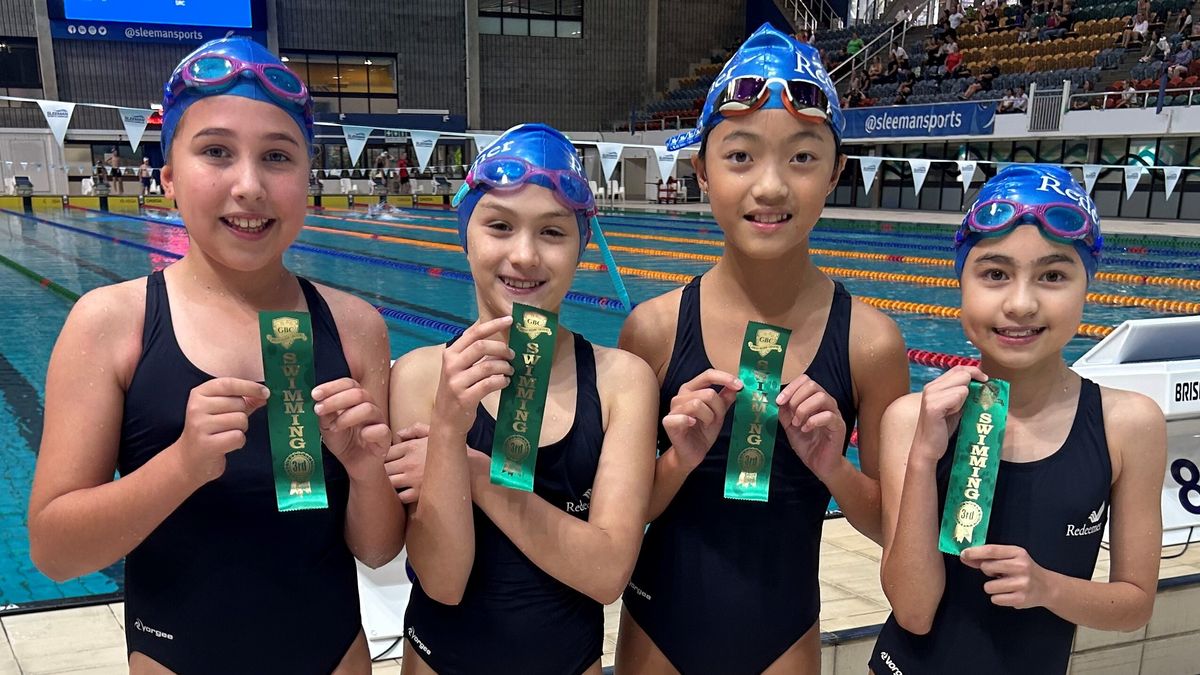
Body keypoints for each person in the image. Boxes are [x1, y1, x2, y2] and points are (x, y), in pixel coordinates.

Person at [26, 37, 404, 673]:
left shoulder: (355, 327)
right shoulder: (111, 323)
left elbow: (377, 550)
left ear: (307, 180)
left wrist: (367, 473)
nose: (249, 186)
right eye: (216, 152)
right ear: (169, 176)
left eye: (277, 157)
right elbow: (56, 554)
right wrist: (180, 466)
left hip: (334, 655)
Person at [615, 24, 909, 675]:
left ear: (835, 172)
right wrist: (678, 458)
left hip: (785, 637)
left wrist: (834, 467)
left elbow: (892, 525)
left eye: (801, 158)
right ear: (701, 170)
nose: (771, 186)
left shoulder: (870, 343)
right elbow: (623, 515)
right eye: (741, 156)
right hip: (657, 628)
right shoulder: (653, 331)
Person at [868, 164, 1165, 674]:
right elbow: (914, 612)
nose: (1021, 303)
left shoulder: (1128, 424)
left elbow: (1134, 606)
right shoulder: (911, 419)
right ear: (961, 284)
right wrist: (923, 459)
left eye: (1053, 276)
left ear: (1088, 286)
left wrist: (1047, 587)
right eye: (995, 274)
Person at [387, 123, 655, 675]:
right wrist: (448, 426)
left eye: (552, 232)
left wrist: (472, 472)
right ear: (466, 235)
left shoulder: (622, 382)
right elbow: (443, 580)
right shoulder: (419, 377)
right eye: (500, 226)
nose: (525, 255)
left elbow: (607, 575)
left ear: (581, 246)